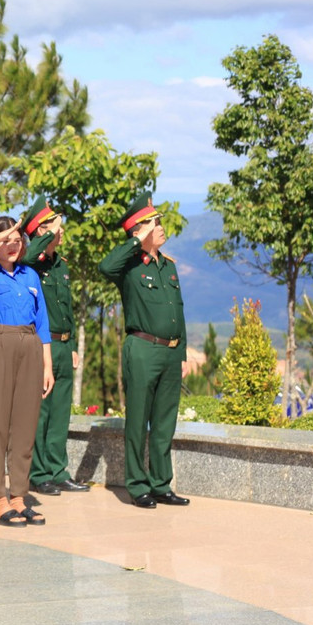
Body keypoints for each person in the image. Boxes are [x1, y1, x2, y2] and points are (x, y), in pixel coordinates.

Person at [98, 193, 190, 510]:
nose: (161, 228)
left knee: (165, 423)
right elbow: (105, 266)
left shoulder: (168, 266)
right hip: (142, 348)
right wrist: (136, 241)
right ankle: (138, 486)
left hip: (170, 353)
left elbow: (178, 312)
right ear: (140, 230)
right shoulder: (130, 267)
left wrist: (184, 354)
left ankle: (161, 484)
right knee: (138, 421)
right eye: (155, 223)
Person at [0, 216, 54, 526]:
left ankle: (19, 496)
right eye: (5, 240)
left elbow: (42, 321)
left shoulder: (30, 275)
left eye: (17, 239)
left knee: (25, 426)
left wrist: (48, 365)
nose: (13, 245)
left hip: (30, 344)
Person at [22, 199, 90, 497]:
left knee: (60, 414)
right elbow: (27, 258)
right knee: (41, 412)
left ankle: (58, 470)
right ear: (39, 231)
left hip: (63, 346)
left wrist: (73, 343)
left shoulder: (60, 265)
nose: (60, 233)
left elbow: (68, 309)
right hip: (40, 346)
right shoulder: (31, 264)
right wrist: (46, 235)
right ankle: (39, 473)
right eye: (52, 228)